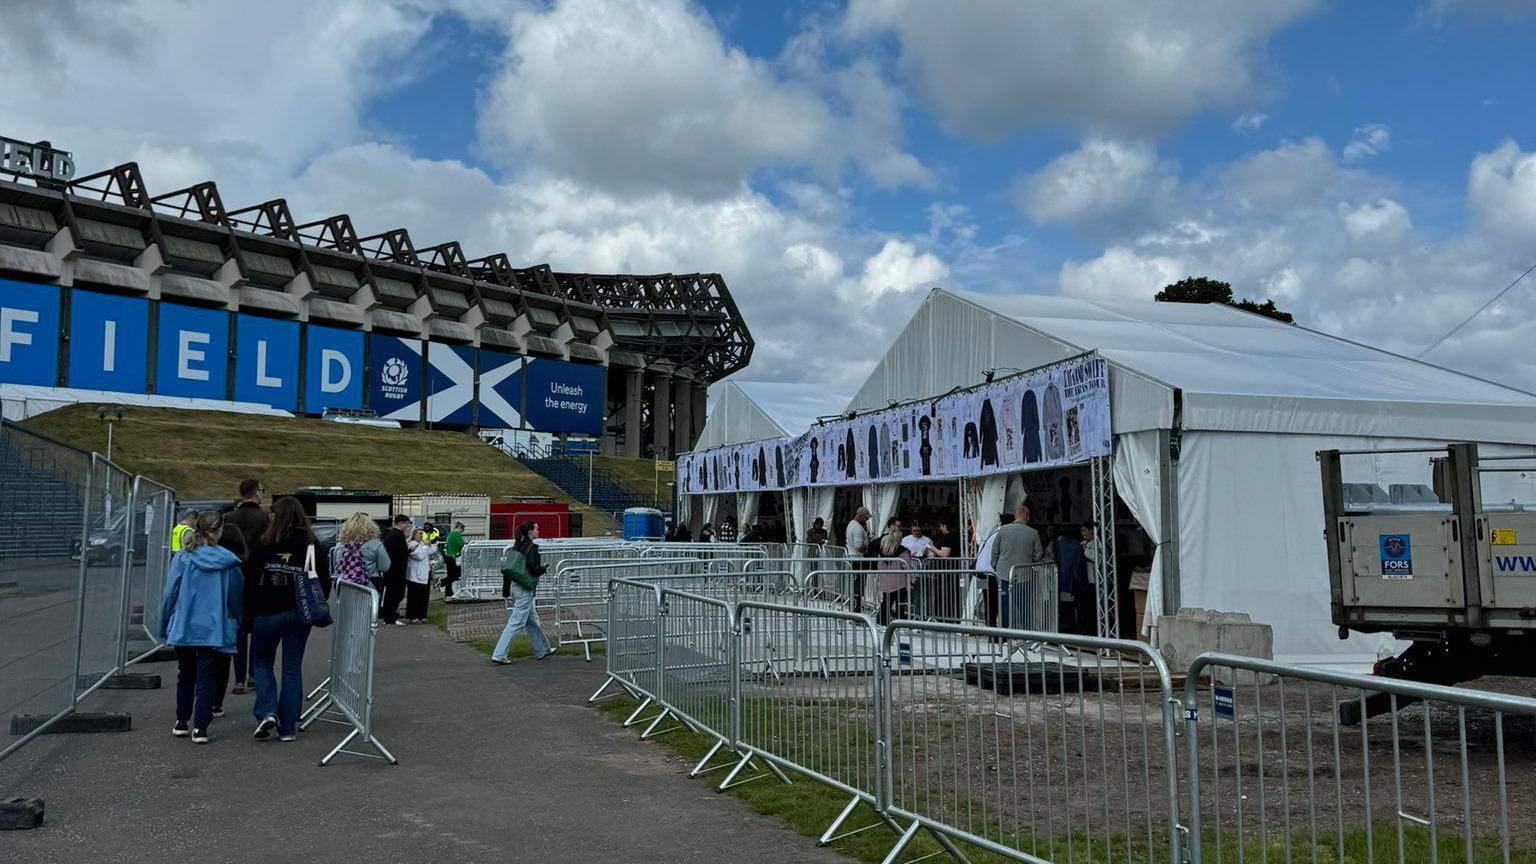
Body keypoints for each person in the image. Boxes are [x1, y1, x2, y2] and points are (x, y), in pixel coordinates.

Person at [159, 510, 242, 744]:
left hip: (184, 624)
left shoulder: (183, 558)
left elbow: (170, 593)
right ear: (218, 530)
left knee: (185, 673)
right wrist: (236, 619)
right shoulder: (228, 561)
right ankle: (201, 728)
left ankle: (182, 721)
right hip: (213, 627)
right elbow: (235, 597)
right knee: (207, 677)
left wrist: (165, 621)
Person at [246, 496, 322, 742]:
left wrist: (248, 613)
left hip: (267, 610)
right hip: (299, 610)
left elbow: (250, 580)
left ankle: (267, 711)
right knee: (292, 667)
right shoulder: (310, 543)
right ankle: (288, 726)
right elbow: (323, 578)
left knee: (262, 662)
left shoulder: (265, 543)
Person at [223, 479, 268, 696]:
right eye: (262, 491)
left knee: (239, 629)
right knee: (258, 628)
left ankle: (238, 679)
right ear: (254, 493)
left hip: (235, 575)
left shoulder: (229, 518)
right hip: (259, 578)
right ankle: (253, 675)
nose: (263, 494)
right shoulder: (265, 518)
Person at [490, 521, 552, 664]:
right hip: (525, 589)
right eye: (536, 529)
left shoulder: (516, 547)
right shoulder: (531, 548)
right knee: (516, 623)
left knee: (531, 620)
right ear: (530, 532)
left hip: (515, 587)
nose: (538, 531)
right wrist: (542, 569)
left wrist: (506, 590)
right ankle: (499, 654)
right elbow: (533, 569)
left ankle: (542, 649)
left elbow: (508, 570)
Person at [991, 505, 1046, 630]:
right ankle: (1025, 633)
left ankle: (1005, 634)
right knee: (1025, 606)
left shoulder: (1003, 530)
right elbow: (1039, 554)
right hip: (1024, 574)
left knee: (1005, 605)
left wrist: (995, 567)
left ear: (1015, 516)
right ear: (1028, 518)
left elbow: (994, 552)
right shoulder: (1033, 533)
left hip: (1003, 574)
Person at [329, 512, 391, 595]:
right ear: (371, 528)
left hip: (344, 584)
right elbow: (385, 567)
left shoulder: (339, 546)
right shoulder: (376, 544)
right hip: (369, 584)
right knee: (369, 607)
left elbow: (336, 566)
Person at [974, 513, 1013, 628]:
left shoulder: (995, 532)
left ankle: (991, 629)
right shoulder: (1002, 534)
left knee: (989, 602)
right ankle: (993, 631)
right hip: (991, 572)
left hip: (982, 571)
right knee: (993, 602)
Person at [874, 517, 913, 626]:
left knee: (887, 601)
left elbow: (879, 565)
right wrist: (911, 579)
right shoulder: (903, 551)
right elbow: (907, 566)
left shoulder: (882, 551)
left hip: (885, 580)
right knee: (900, 602)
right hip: (899, 581)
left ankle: (881, 621)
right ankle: (898, 622)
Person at [380, 515, 411, 625]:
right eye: (406, 524)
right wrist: (409, 551)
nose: (407, 526)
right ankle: (391, 618)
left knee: (391, 593)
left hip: (391, 569)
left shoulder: (391, 535)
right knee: (395, 594)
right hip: (396, 570)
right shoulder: (397, 535)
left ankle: (388, 617)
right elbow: (400, 552)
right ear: (401, 523)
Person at [844, 507, 872, 613]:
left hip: (853, 557)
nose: (866, 520)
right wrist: (867, 544)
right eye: (866, 518)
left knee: (856, 583)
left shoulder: (851, 524)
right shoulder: (858, 528)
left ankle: (856, 606)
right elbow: (858, 546)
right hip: (858, 558)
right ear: (860, 516)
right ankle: (857, 608)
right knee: (859, 584)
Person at [404, 527, 432, 623]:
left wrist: (428, 545)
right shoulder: (411, 545)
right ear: (414, 535)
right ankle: (412, 616)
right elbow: (419, 556)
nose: (421, 536)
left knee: (423, 596)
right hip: (415, 575)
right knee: (414, 597)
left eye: (422, 534)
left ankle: (422, 615)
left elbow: (430, 553)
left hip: (424, 573)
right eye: (419, 534)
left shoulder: (422, 544)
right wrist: (426, 547)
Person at [440, 521, 465, 598]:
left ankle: (449, 592)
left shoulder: (450, 534)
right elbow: (461, 545)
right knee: (455, 575)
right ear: (459, 528)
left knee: (451, 575)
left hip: (448, 556)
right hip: (453, 557)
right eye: (462, 529)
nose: (462, 532)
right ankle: (443, 582)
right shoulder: (457, 535)